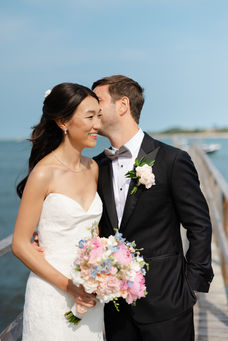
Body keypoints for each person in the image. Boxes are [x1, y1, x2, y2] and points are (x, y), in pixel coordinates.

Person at [91, 75, 214, 341]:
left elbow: (199, 226)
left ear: (122, 105)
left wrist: (191, 285)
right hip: (115, 307)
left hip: (167, 302)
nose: (90, 107)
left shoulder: (172, 160)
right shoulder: (95, 166)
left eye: (97, 100)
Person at [12, 82, 104, 341]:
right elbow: (20, 244)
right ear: (64, 122)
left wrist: (106, 270)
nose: (97, 124)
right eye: (89, 116)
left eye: (98, 115)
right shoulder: (44, 173)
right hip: (53, 292)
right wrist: (71, 288)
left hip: (89, 292)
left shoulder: (92, 168)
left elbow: (93, 230)